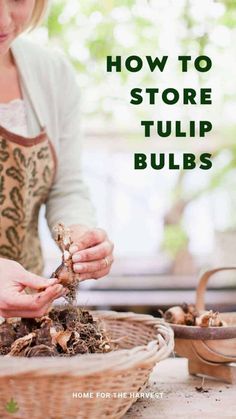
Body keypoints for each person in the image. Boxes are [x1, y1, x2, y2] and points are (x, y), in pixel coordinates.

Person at [0, 0, 114, 318]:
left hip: (20, 318)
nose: (3, 20)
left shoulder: (51, 73)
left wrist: (78, 237)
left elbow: (66, 187)